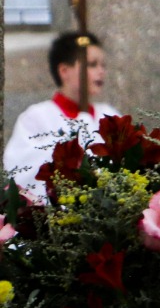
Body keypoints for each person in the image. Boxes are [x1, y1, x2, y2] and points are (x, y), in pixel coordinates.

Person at [4, 32, 120, 200]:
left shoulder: (109, 114)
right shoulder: (36, 116)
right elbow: (19, 168)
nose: (101, 71)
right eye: (92, 65)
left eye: (103, 65)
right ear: (64, 71)